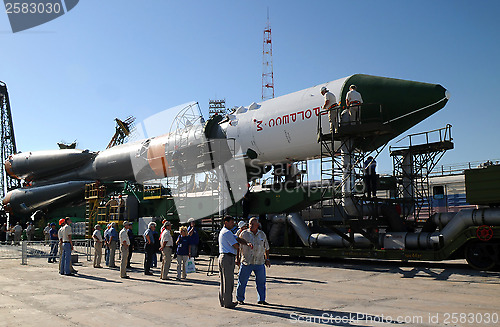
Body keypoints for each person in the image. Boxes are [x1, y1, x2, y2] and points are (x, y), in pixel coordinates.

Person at [218, 216, 253, 309]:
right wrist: (242, 248)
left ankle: (224, 301)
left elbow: (237, 239)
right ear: (226, 222)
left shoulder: (226, 232)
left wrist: (247, 243)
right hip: (227, 258)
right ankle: (228, 303)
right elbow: (236, 245)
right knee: (228, 282)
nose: (233, 224)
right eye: (231, 222)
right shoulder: (227, 233)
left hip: (223, 257)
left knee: (223, 281)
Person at [236, 217, 271, 305]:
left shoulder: (262, 234)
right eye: (250, 224)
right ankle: (240, 299)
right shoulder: (244, 234)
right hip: (247, 262)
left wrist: (267, 259)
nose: (250, 226)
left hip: (259, 262)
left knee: (261, 282)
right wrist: (237, 258)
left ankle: (261, 299)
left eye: (253, 224)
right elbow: (238, 247)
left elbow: (266, 247)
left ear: (257, 225)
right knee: (242, 281)